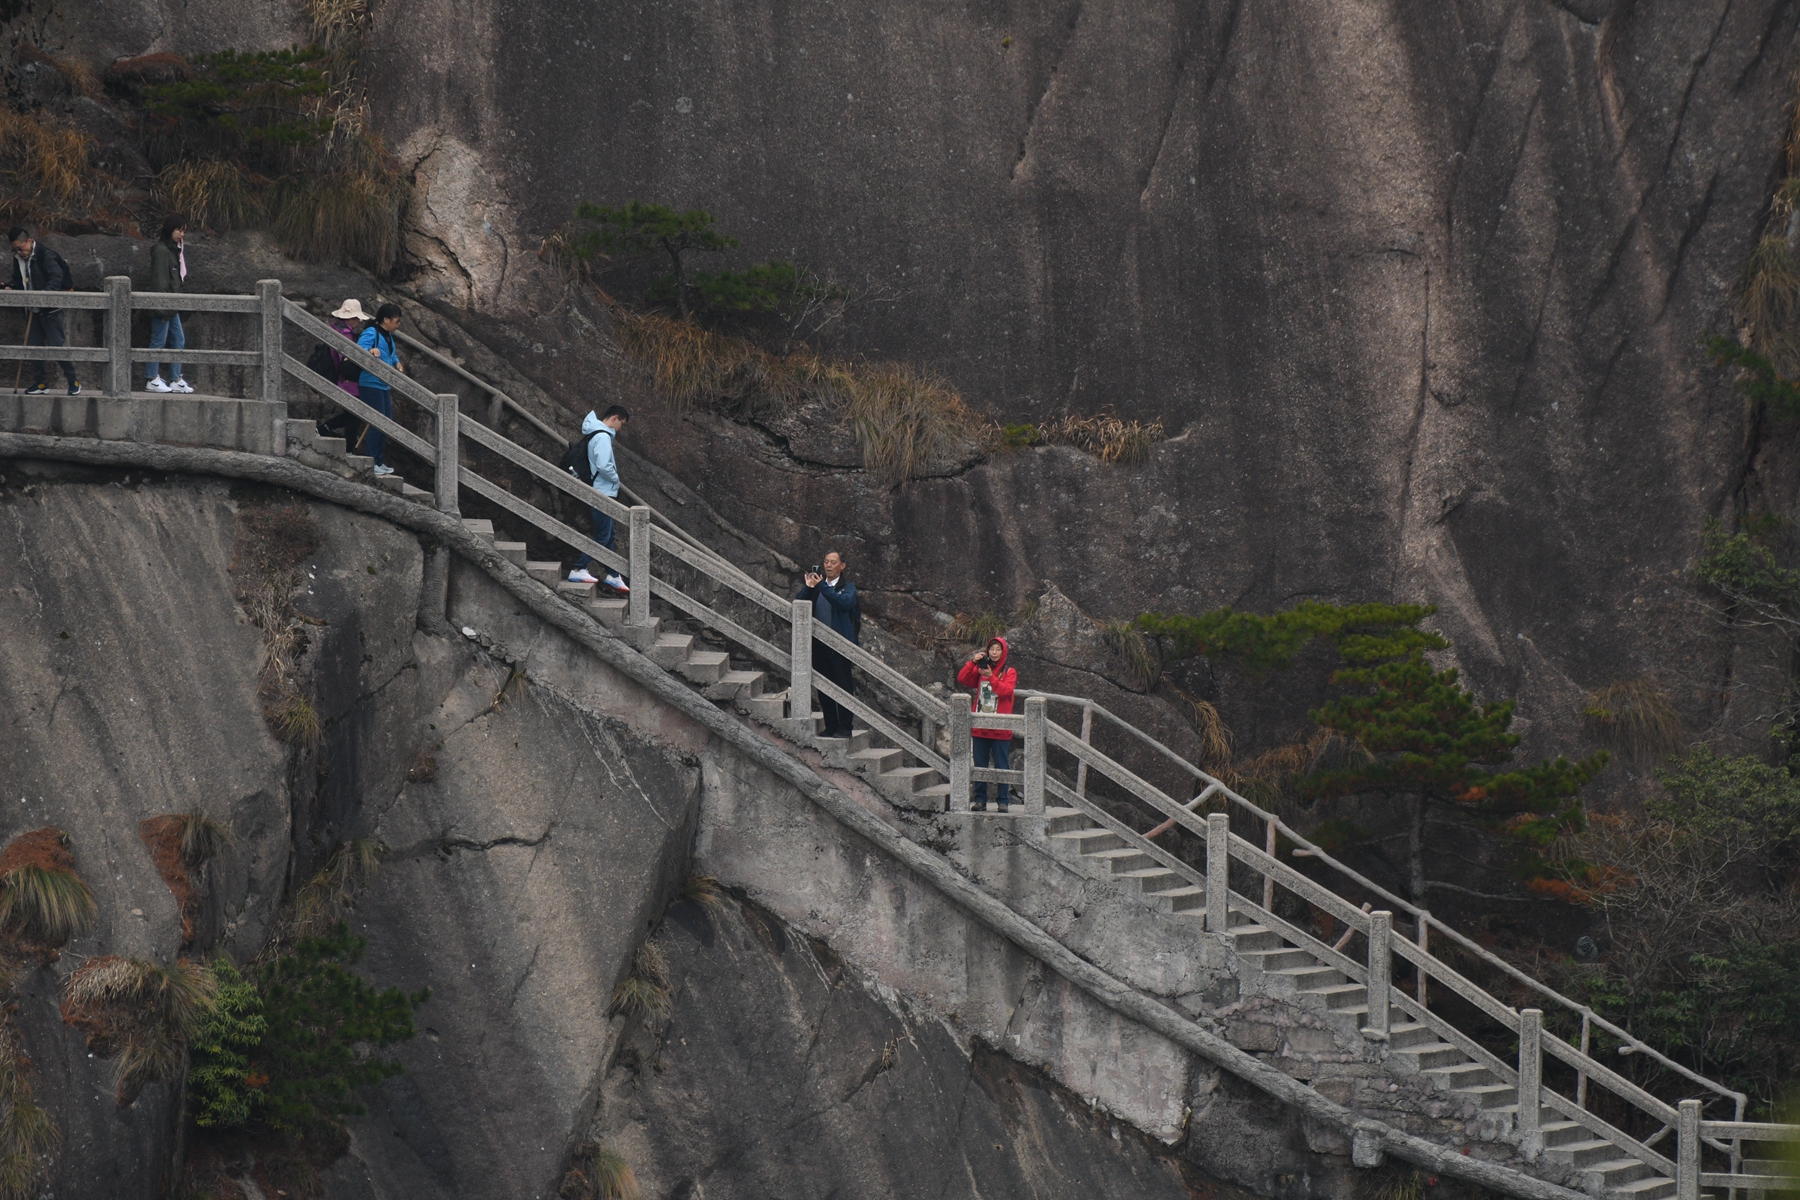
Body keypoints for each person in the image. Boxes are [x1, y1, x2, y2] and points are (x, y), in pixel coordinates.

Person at [4, 226, 80, 396]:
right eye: (15, 250)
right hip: (31, 310)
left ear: (29, 241)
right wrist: (10, 287)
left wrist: (42, 297)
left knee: (57, 346)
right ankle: (41, 383)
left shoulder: (46, 255)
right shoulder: (18, 259)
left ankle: (73, 380)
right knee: (34, 347)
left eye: (20, 248)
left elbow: (56, 278)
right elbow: (18, 281)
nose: (19, 252)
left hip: (50, 310)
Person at [795, 551, 860, 739]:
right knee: (823, 688)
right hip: (819, 645)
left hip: (840, 647)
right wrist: (809, 588)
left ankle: (845, 727)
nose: (829, 566)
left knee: (843, 686)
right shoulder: (818, 587)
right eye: (826, 562)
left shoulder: (848, 588)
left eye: (833, 562)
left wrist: (822, 586)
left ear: (842, 566)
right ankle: (830, 725)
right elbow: (799, 604)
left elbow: (843, 603)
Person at [566, 405, 630, 593]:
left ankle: (613, 575)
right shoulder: (602, 436)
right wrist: (616, 479)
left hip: (600, 490)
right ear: (615, 418)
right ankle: (578, 568)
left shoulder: (597, 433)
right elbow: (603, 465)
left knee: (609, 535)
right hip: (601, 491)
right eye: (622, 423)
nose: (620, 428)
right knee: (603, 535)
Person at [956, 637, 1017, 812]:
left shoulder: (1009, 671)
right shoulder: (981, 670)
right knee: (980, 765)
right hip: (980, 726)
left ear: (1003, 652)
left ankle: (1003, 801)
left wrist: (991, 677)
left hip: (1000, 727)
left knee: (1002, 765)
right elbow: (962, 679)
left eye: (998, 649)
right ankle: (980, 800)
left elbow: (1005, 691)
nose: (994, 652)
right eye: (992, 649)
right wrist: (972, 663)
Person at [144, 215, 192, 394]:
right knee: (158, 340)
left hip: (172, 305)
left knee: (178, 339)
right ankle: (152, 378)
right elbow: (159, 281)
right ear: (170, 229)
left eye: (184, 231)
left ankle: (175, 378)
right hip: (163, 305)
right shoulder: (161, 250)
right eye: (179, 230)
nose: (181, 234)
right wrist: (162, 306)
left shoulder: (174, 250)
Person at [356, 302, 405, 477]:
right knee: (377, 422)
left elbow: (391, 355)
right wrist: (370, 350)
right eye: (396, 321)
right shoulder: (372, 332)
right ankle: (371, 460)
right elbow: (359, 348)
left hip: (383, 383)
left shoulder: (388, 336)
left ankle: (378, 460)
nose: (398, 325)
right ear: (386, 319)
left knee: (386, 422)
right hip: (370, 382)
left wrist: (396, 362)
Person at [316, 298, 369, 444]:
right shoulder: (346, 335)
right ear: (351, 318)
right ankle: (329, 432)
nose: (359, 321)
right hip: (343, 379)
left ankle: (326, 429)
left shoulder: (332, 329)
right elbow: (345, 362)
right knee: (355, 414)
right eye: (357, 318)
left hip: (331, 374)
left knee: (353, 414)